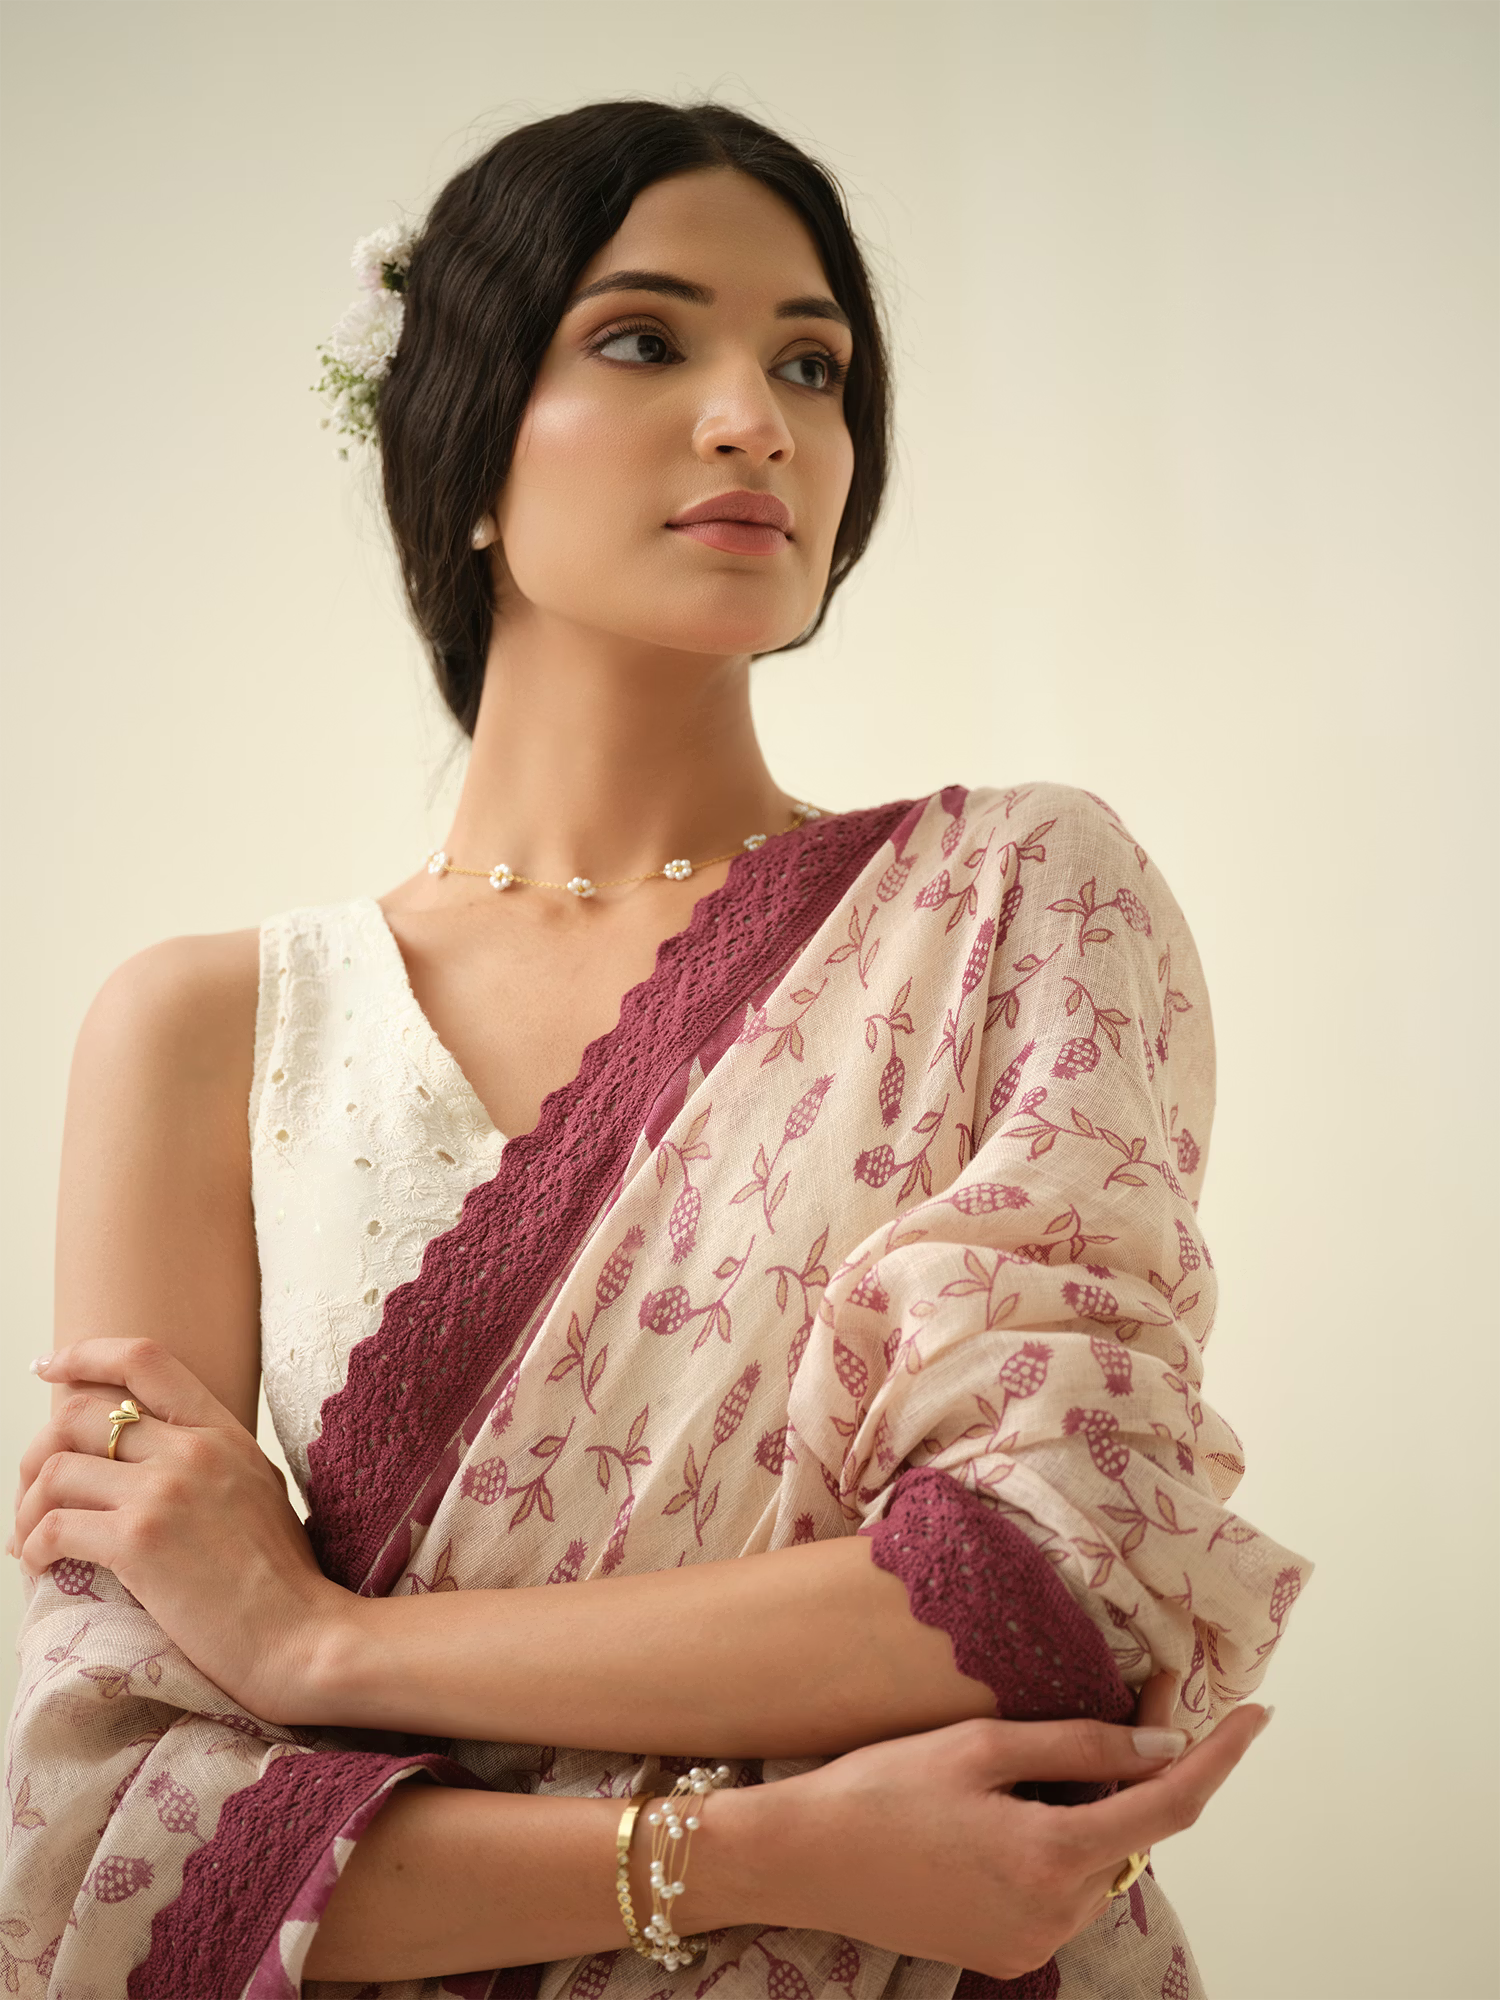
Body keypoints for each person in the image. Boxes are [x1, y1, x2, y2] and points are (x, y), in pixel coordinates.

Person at [0, 99, 1306, 2000]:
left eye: (812, 364)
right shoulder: (210, 1031)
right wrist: (763, 1852)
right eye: (643, 338)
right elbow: (102, 1838)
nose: (758, 418)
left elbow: (1051, 1577)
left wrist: (317, 1648)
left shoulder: (1021, 897)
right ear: (456, 442)